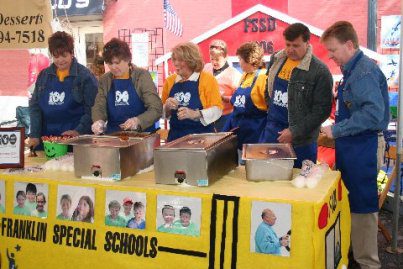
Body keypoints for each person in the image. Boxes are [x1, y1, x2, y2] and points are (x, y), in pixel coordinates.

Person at [321, 21, 389, 269]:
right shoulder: (353, 70)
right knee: (352, 205)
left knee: (362, 207)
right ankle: (356, 258)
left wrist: (336, 130)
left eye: (333, 50)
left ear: (349, 45)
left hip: (365, 146)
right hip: (354, 147)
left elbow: (373, 115)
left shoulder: (363, 72)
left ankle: (368, 263)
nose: (330, 56)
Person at [259, 23, 333, 168]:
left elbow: (322, 110)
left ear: (307, 43)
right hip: (272, 132)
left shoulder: (319, 71)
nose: (290, 50)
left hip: (301, 141)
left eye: (296, 45)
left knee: (300, 184)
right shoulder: (277, 59)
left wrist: (295, 131)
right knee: (270, 180)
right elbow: (268, 88)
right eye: (288, 44)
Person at [27, 31, 98, 149]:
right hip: (47, 141)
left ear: (72, 53)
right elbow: (35, 107)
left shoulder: (85, 76)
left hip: (75, 141)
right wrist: (34, 135)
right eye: (56, 56)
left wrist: (78, 131)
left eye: (64, 55)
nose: (60, 60)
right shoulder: (44, 75)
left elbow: (93, 109)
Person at [92, 38, 162, 134]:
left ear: (127, 59)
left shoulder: (141, 76)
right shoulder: (105, 80)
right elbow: (99, 106)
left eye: (117, 63)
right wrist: (98, 121)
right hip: (113, 136)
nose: (113, 67)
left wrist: (138, 121)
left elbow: (156, 108)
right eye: (109, 63)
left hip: (141, 136)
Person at [162, 42, 223, 141]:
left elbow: (217, 110)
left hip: (201, 139)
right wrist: (167, 107)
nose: (176, 63)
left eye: (180, 60)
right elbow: (162, 114)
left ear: (191, 61)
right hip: (175, 138)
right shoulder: (170, 81)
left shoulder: (208, 80)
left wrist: (195, 114)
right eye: (174, 59)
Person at [222, 42, 268, 152]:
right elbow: (239, 101)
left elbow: (268, 107)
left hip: (255, 134)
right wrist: (226, 98)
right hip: (239, 131)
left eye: (240, 59)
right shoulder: (244, 75)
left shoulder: (263, 77)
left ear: (249, 59)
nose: (239, 62)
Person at [203, 40, 242, 131]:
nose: (214, 63)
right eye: (212, 59)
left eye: (217, 59)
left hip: (225, 117)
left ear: (225, 57)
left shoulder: (234, 75)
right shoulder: (206, 68)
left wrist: (223, 97)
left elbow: (239, 99)